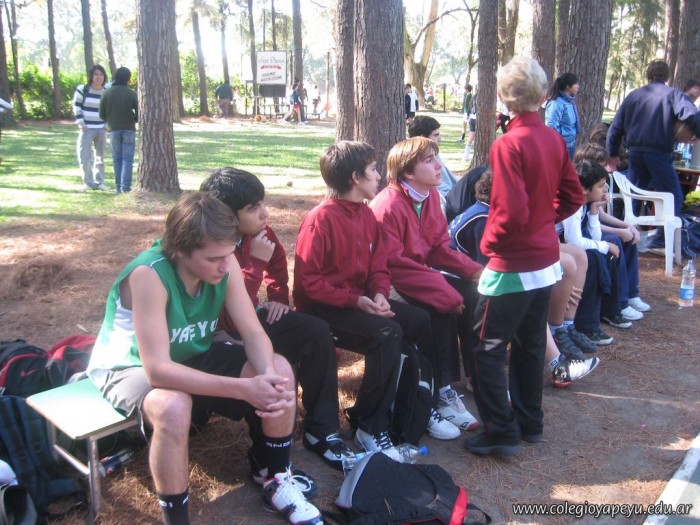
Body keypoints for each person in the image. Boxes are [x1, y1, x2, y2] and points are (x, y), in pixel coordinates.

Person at [86, 192, 322, 525]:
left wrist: (267, 377)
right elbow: (158, 371)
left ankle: (277, 478)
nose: (226, 266)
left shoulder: (225, 262)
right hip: (129, 366)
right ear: (181, 250)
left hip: (190, 354)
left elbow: (253, 333)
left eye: (229, 253)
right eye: (214, 259)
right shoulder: (148, 275)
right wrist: (244, 389)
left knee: (280, 369)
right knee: (173, 406)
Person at [293, 141, 460, 448]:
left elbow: (379, 267)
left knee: (420, 320)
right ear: (355, 178)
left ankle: (417, 402)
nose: (379, 176)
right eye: (372, 170)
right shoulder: (321, 220)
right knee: (387, 334)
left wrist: (380, 293)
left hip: (360, 301)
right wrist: (356, 301)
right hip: (323, 309)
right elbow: (307, 285)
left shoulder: (366, 215)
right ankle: (369, 425)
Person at [465, 57, 583, 457]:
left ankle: (501, 429)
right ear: (544, 94)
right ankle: (530, 422)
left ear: (503, 97)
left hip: (513, 262)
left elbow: (509, 211)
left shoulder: (508, 144)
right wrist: (543, 223)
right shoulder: (552, 139)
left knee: (487, 347)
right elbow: (573, 196)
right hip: (544, 259)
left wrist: (490, 246)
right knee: (531, 342)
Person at [199, 167, 354, 470]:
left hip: (249, 320)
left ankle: (322, 430)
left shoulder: (261, 233)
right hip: (217, 333)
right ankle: (266, 460)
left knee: (315, 331)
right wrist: (255, 263)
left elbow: (279, 266)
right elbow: (226, 312)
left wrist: (279, 298)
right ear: (227, 215)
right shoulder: (212, 247)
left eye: (263, 203)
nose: (264, 212)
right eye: (252, 207)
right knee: (263, 364)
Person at [369, 136, 482, 432]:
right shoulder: (388, 205)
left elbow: (438, 248)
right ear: (408, 172)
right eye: (430, 161)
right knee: (438, 310)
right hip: (389, 283)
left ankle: (477, 375)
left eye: (436, 158)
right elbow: (394, 264)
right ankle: (440, 390)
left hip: (418, 274)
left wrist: (476, 272)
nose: (439, 166)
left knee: (471, 293)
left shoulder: (430, 197)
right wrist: (443, 292)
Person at [448, 170, 599, 388]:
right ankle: (555, 365)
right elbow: (487, 271)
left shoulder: (489, 213)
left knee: (527, 296)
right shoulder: (484, 219)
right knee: (523, 300)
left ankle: (557, 363)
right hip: (456, 281)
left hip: (468, 277)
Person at [607, 60, 700, 223]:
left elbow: (615, 128)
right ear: (666, 77)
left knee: (633, 195)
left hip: (635, 154)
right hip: (659, 154)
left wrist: (613, 154)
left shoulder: (633, 96)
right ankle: (665, 234)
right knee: (672, 195)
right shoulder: (672, 95)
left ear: (648, 76)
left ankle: (628, 230)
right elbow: (692, 115)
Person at [573, 143, 651, 319]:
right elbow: (586, 225)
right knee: (615, 240)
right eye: (602, 165)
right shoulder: (584, 188)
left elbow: (600, 216)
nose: (606, 169)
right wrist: (619, 232)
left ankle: (631, 293)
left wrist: (626, 226)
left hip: (591, 231)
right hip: (582, 235)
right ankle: (619, 303)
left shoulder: (596, 187)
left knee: (627, 238)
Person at [562, 159, 630, 343]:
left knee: (602, 254)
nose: (604, 190)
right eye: (600, 186)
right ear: (584, 188)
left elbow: (596, 237)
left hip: (566, 247)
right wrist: (605, 246)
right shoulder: (573, 203)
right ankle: (585, 326)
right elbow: (573, 241)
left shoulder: (586, 203)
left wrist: (594, 210)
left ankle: (608, 311)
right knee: (593, 258)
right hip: (554, 246)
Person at [99, 66, 138, 194]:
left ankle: (117, 187)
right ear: (128, 79)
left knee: (117, 159)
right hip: (129, 129)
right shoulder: (131, 93)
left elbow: (101, 114)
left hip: (113, 129)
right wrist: (133, 119)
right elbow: (139, 112)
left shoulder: (107, 93)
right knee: (128, 159)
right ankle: (125, 187)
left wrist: (110, 120)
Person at [73, 64, 108, 191]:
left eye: (101, 74)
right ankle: (88, 182)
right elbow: (76, 106)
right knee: (84, 156)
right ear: (91, 76)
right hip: (86, 129)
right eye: (96, 74)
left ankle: (100, 182)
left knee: (100, 157)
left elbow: (110, 109)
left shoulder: (106, 91)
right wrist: (81, 123)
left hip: (101, 129)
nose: (99, 77)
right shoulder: (83, 89)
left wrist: (107, 125)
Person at [407, 116, 458, 202]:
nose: (440, 140)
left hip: (452, 194)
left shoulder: (433, 153)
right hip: (445, 198)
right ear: (423, 137)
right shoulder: (417, 158)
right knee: (477, 173)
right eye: (435, 135)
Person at [545, 72, 581, 159]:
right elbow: (551, 125)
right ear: (568, 86)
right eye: (576, 84)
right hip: (561, 147)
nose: (578, 86)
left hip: (570, 144)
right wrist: (561, 141)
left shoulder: (570, 102)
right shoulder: (556, 103)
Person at [463, 93, 477, 161]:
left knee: (471, 138)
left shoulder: (475, 97)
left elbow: (470, 108)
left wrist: (468, 116)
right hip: (476, 118)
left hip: (472, 118)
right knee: (472, 138)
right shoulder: (480, 97)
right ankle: (466, 156)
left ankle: (466, 156)